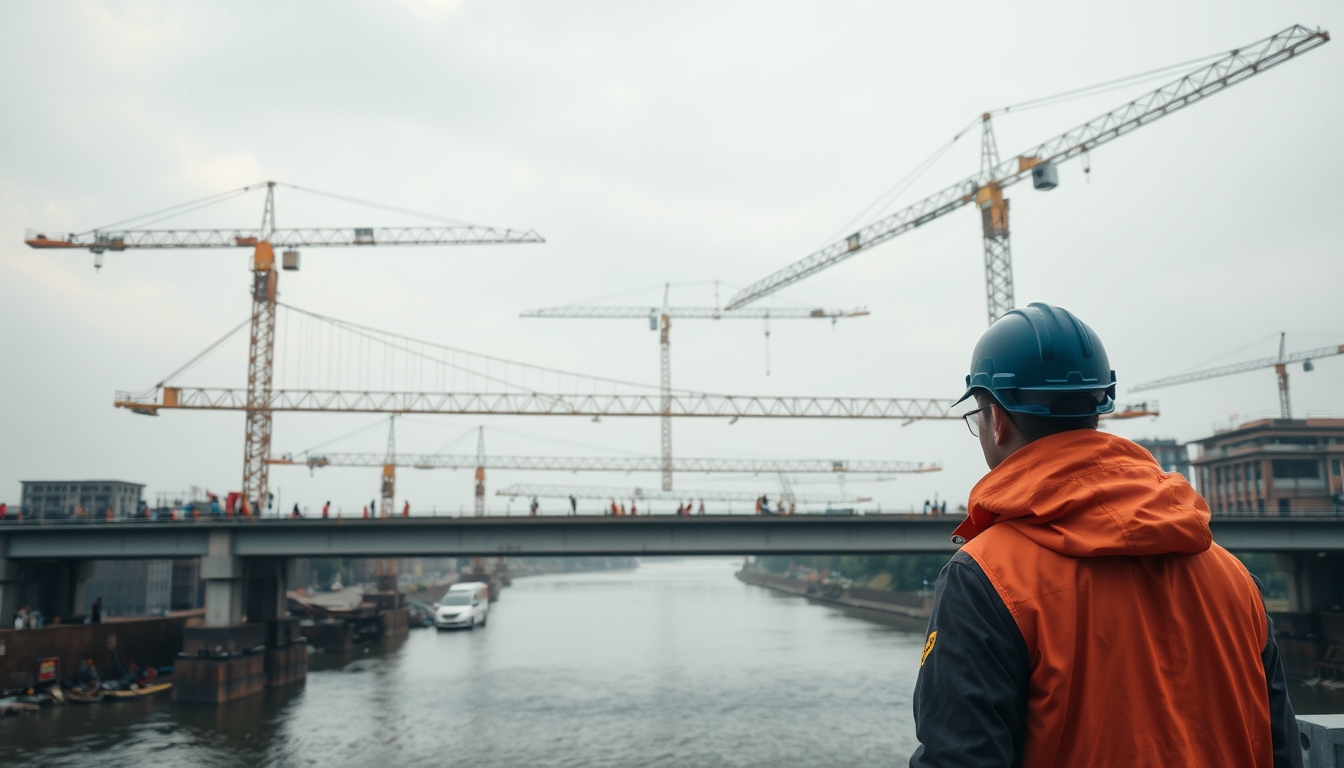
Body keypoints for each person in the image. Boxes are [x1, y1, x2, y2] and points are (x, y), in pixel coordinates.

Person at [909, 303, 1296, 768]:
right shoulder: (1234, 578)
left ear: (997, 419)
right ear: (1098, 407)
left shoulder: (986, 579)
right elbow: (1282, 750)